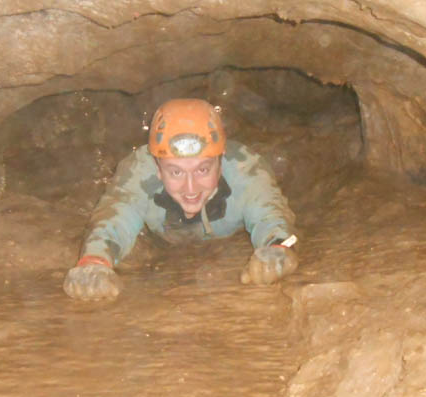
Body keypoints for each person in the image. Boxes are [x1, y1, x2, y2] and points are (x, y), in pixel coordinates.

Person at [63, 98, 298, 301]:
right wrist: (94, 262)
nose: (190, 188)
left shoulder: (246, 170)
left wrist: (278, 249)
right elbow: (114, 218)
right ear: (157, 168)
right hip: (160, 243)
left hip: (227, 239)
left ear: (221, 161)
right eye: (176, 172)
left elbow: (272, 216)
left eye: (203, 170)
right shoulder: (138, 173)